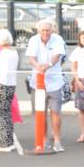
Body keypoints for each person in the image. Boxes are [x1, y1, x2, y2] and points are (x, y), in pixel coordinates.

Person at [26, 20, 66, 152]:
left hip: (54, 82)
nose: (45, 33)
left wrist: (47, 65)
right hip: (37, 82)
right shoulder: (33, 40)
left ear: (52, 30)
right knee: (40, 112)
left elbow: (56, 56)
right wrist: (38, 67)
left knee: (55, 112)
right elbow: (31, 58)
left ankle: (57, 140)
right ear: (38, 31)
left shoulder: (58, 39)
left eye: (47, 30)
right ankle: (44, 139)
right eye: (42, 30)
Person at [0, 29, 19, 153]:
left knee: (0, 113)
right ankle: (9, 141)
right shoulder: (14, 52)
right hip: (11, 85)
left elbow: (2, 71)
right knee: (6, 113)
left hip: (3, 84)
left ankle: (3, 144)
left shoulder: (4, 53)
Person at [70, 29, 84, 143]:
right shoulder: (77, 51)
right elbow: (73, 67)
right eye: (83, 37)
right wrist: (77, 81)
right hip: (81, 81)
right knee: (82, 110)